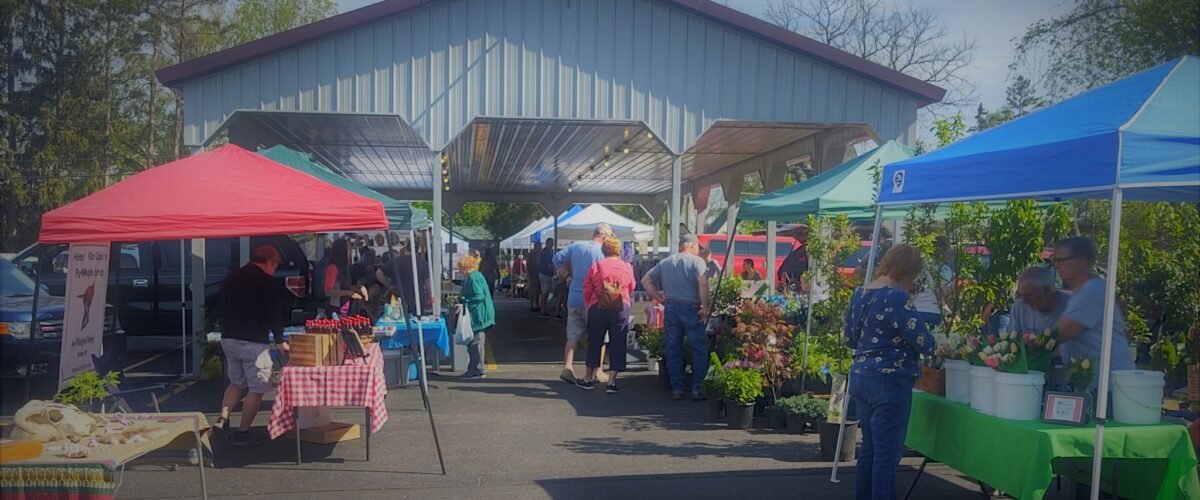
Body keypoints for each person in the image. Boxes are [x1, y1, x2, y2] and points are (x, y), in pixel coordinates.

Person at [843, 243, 935, 500]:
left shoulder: (860, 294)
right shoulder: (895, 297)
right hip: (890, 379)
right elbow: (924, 341)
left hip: (861, 376)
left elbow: (849, 338)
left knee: (870, 450)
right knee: (887, 454)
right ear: (908, 273)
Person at [217, 246, 286, 446]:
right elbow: (274, 313)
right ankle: (244, 431)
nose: (274, 270)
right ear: (270, 262)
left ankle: (223, 419)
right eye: (275, 266)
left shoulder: (232, 277)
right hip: (253, 342)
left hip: (229, 338)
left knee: (236, 383)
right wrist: (280, 340)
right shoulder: (267, 282)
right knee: (257, 388)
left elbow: (220, 304)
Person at [1052, 237, 1135, 380]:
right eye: (1055, 261)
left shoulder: (1092, 291)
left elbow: (1058, 335)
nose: (1056, 266)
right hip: (1095, 382)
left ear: (1082, 261)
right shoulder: (1082, 291)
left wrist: (1023, 349)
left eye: (1062, 261)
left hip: (1110, 385)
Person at [641, 234, 710, 401]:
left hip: (671, 307)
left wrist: (659, 298)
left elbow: (645, 280)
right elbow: (702, 283)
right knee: (699, 349)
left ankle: (677, 389)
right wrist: (705, 307)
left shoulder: (666, 262)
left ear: (681, 246)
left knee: (673, 349)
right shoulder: (697, 262)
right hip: (691, 308)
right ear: (693, 246)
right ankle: (697, 388)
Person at [553, 224, 613, 384]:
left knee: (572, 335)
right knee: (599, 336)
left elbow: (556, 259)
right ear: (605, 237)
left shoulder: (576, 246)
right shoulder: (603, 253)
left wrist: (566, 276)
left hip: (574, 296)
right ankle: (598, 370)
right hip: (593, 300)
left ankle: (568, 367)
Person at [578, 236, 636, 393]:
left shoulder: (595, 266)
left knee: (594, 342)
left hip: (597, 308)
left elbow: (587, 289)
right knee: (617, 344)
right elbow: (631, 287)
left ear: (603, 250)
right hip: (620, 308)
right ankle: (611, 381)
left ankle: (588, 378)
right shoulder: (627, 267)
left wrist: (588, 308)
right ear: (618, 250)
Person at [456, 255, 495, 379]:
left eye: (461, 268)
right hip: (479, 313)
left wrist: (464, 301)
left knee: (475, 342)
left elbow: (478, 296)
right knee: (476, 341)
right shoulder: (476, 276)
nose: (460, 271)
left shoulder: (474, 278)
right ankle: (476, 368)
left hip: (479, 314)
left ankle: (476, 369)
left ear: (466, 267)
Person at [1009, 267, 1069, 334]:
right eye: (1020, 295)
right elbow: (1011, 339)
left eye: (1029, 295)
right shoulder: (1019, 306)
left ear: (1047, 291)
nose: (1024, 301)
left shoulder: (1070, 307)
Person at [321, 238, 355, 316]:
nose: (351, 252)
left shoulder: (344, 268)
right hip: (335, 310)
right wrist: (348, 293)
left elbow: (344, 286)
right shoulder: (333, 267)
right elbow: (328, 291)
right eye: (349, 249)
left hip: (344, 310)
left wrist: (358, 288)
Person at [538, 238, 556, 319]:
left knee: (546, 293)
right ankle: (542, 311)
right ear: (547, 243)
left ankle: (544, 310)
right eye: (551, 243)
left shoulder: (548, 252)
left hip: (546, 274)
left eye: (552, 243)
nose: (552, 244)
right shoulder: (545, 253)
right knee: (544, 293)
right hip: (545, 274)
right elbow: (549, 265)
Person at [527, 243, 543, 311]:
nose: (540, 248)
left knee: (538, 291)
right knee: (533, 290)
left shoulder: (540, 254)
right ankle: (531, 305)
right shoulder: (531, 254)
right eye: (539, 247)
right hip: (533, 275)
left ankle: (537, 304)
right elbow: (528, 265)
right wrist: (529, 274)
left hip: (539, 274)